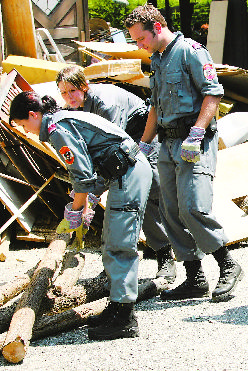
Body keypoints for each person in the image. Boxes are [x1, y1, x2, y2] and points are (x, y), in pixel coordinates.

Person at [9, 91, 152, 340]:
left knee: (120, 245)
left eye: (24, 125)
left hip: (127, 174)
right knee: (111, 241)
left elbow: (82, 174)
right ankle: (116, 307)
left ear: (33, 115)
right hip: (121, 172)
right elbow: (94, 163)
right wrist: (86, 205)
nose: (27, 131)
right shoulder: (64, 119)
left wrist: (76, 210)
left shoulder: (57, 129)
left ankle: (125, 319)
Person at [124, 4, 242, 302]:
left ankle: (228, 263)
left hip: (194, 141)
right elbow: (155, 105)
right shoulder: (157, 59)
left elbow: (213, 93)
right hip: (167, 143)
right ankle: (195, 277)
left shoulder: (191, 51)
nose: (139, 45)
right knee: (170, 211)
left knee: (193, 206)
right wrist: (144, 143)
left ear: (158, 28)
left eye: (141, 39)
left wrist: (198, 132)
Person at [55, 65, 176, 282]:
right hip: (120, 146)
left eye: (72, 90)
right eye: (63, 92)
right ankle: (124, 262)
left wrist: (92, 193)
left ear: (84, 86)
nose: (68, 97)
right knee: (131, 198)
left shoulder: (106, 103)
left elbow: (115, 151)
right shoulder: (75, 110)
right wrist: (85, 189)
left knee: (152, 191)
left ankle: (172, 254)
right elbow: (90, 153)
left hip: (142, 138)